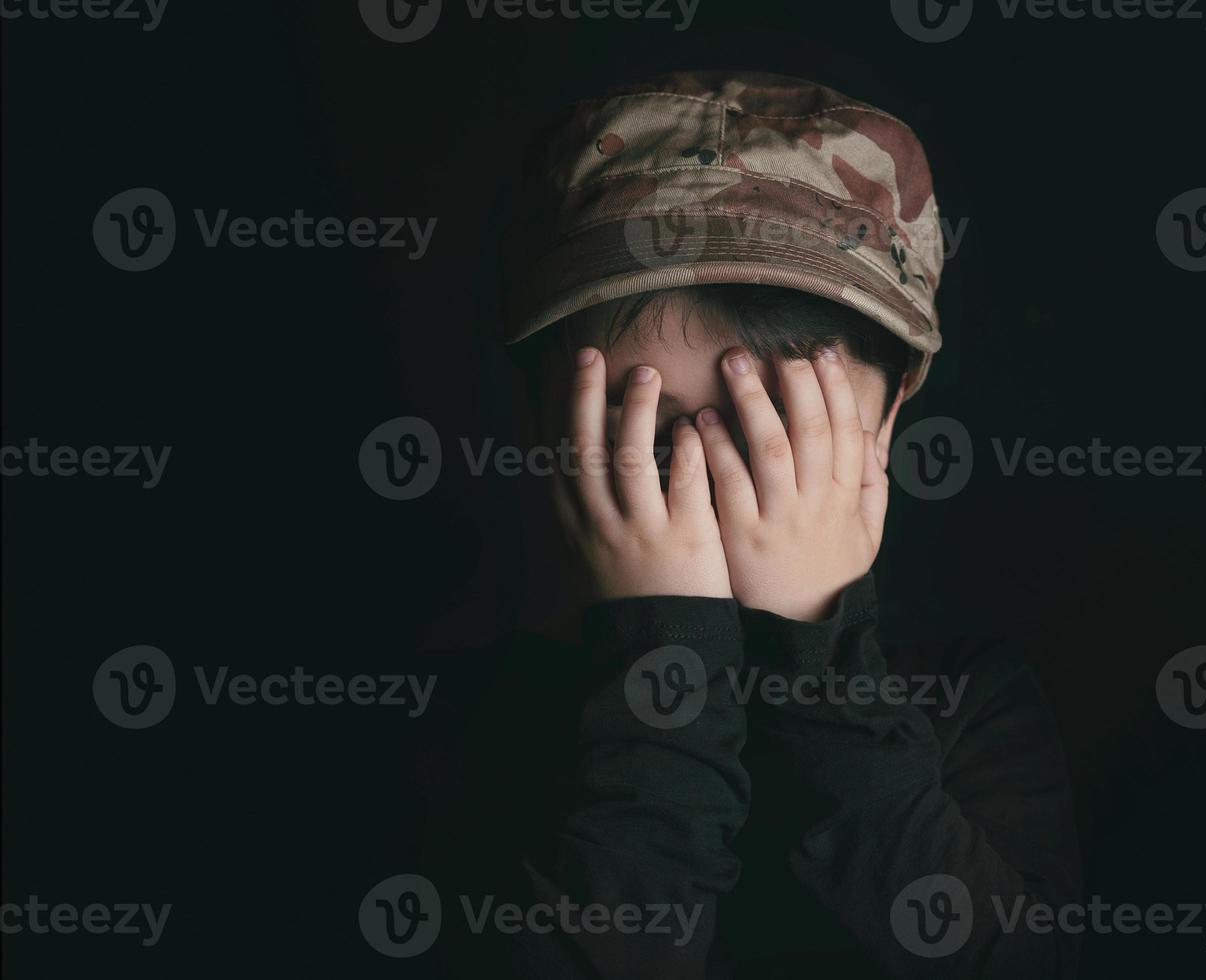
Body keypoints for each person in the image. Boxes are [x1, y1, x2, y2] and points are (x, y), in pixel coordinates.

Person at [425, 70, 1081, 978]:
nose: (717, 486)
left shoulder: (973, 707)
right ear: (547, 423)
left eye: (785, 438)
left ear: (882, 428)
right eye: (653, 440)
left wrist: (818, 661)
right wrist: (663, 678)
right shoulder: (441, 729)